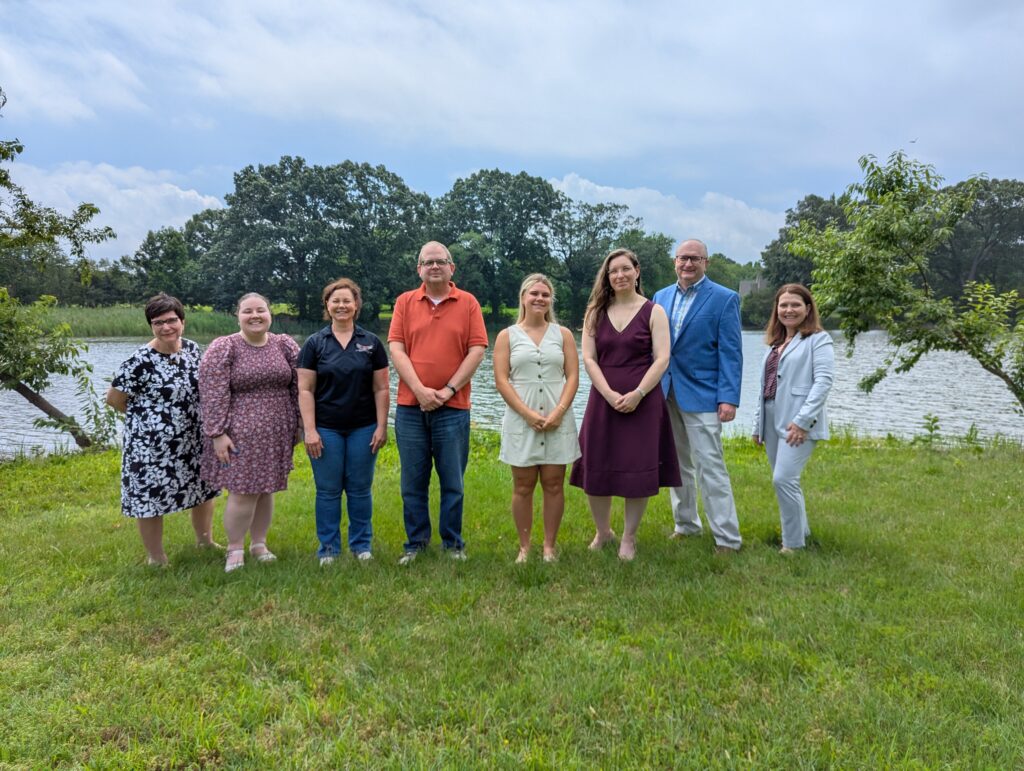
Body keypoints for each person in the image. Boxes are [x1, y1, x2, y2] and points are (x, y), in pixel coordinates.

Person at [569, 248, 680, 561]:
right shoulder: (595, 312)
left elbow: (662, 358)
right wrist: (606, 393)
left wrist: (639, 393)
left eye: (624, 269)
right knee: (596, 466)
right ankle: (603, 532)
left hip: (643, 401)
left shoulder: (654, 311)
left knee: (637, 469)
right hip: (602, 398)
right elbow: (589, 358)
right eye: (612, 271)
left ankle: (628, 538)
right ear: (606, 277)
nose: (619, 275)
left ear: (636, 271)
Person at [388, 241, 488, 564]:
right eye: (427, 262)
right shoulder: (405, 302)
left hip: (454, 407)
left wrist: (447, 390)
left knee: (453, 482)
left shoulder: (469, 303)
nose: (434, 266)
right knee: (412, 481)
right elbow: (397, 349)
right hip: (409, 406)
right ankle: (415, 544)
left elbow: (477, 350)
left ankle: (453, 543)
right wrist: (419, 390)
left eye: (440, 261)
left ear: (451, 268)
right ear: (419, 269)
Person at [106, 294, 220, 566]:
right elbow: (114, 399)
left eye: (171, 321)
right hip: (151, 446)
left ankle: (205, 541)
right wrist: (150, 422)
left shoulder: (193, 350)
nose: (166, 327)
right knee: (150, 499)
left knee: (203, 490)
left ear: (182, 321)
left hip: (193, 440)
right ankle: (156, 557)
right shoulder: (139, 361)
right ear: (151, 326)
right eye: (158, 323)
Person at [653, 239, 743, 554]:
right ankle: (686, 524)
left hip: (704, 394)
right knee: (677, 463)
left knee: (710, 464)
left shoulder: (724, 298)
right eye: (682, 258)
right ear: (674, 261)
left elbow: (731, 353)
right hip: (666, 392)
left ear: (706, 262)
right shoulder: (660, 297)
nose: (688, 264)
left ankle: (728, 538)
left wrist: (728, 397)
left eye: (694, 258)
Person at [199, 292, 301, 572]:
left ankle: (259, 544)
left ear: (270, 314)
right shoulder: (225, 347)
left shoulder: (284, 345)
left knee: (266, 489)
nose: (255, 316)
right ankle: (234, 549)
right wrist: (217, 433)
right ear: (238, 316)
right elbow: (212, 393)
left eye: (261, 310)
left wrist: (299, 424)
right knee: (243, 491)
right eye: (248, 311)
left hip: (278, 430)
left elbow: (298, 385)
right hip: (239, 433)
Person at [298, 278, 389, 566]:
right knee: (328, 490)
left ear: (356, 305)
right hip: (326, 428)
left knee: (360, 488)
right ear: (327, 305)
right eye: (335, 301)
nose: (341, 305)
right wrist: (310, 430)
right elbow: (305, 390)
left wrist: (381, 426)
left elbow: (382, 388)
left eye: (347, 300)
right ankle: (328, 549)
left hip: (364, 428)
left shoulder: (372, 343)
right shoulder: (314, 344)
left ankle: (361, 545)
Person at [494, 273, 581, 563]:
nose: (539, 299)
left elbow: (572, 377)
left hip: (559, 418)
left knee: (555, 483)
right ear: (523, 297)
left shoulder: (564, 334)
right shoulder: (507, 336)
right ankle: (524, 547)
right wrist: (528, 414)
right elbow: (502, 380)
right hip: (522, 419)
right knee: (522, 485)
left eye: (545, 294)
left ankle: (549, 547)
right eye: (534, 294)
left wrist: (558, 412)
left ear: (550, 300)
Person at [753, 284, 835, 553]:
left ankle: (793, 544)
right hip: (771, 418)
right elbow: (764, 387)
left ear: (808, 308)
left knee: (784, 479)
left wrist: (803, 421)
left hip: (797, 421)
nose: (789, 310)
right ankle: (802, 531)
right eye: (783, 305)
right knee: (787, 481)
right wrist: (757, 424)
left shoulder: (818, 340)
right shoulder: (774, 344)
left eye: (795, 305)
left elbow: (823, 382)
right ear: (776, 310)